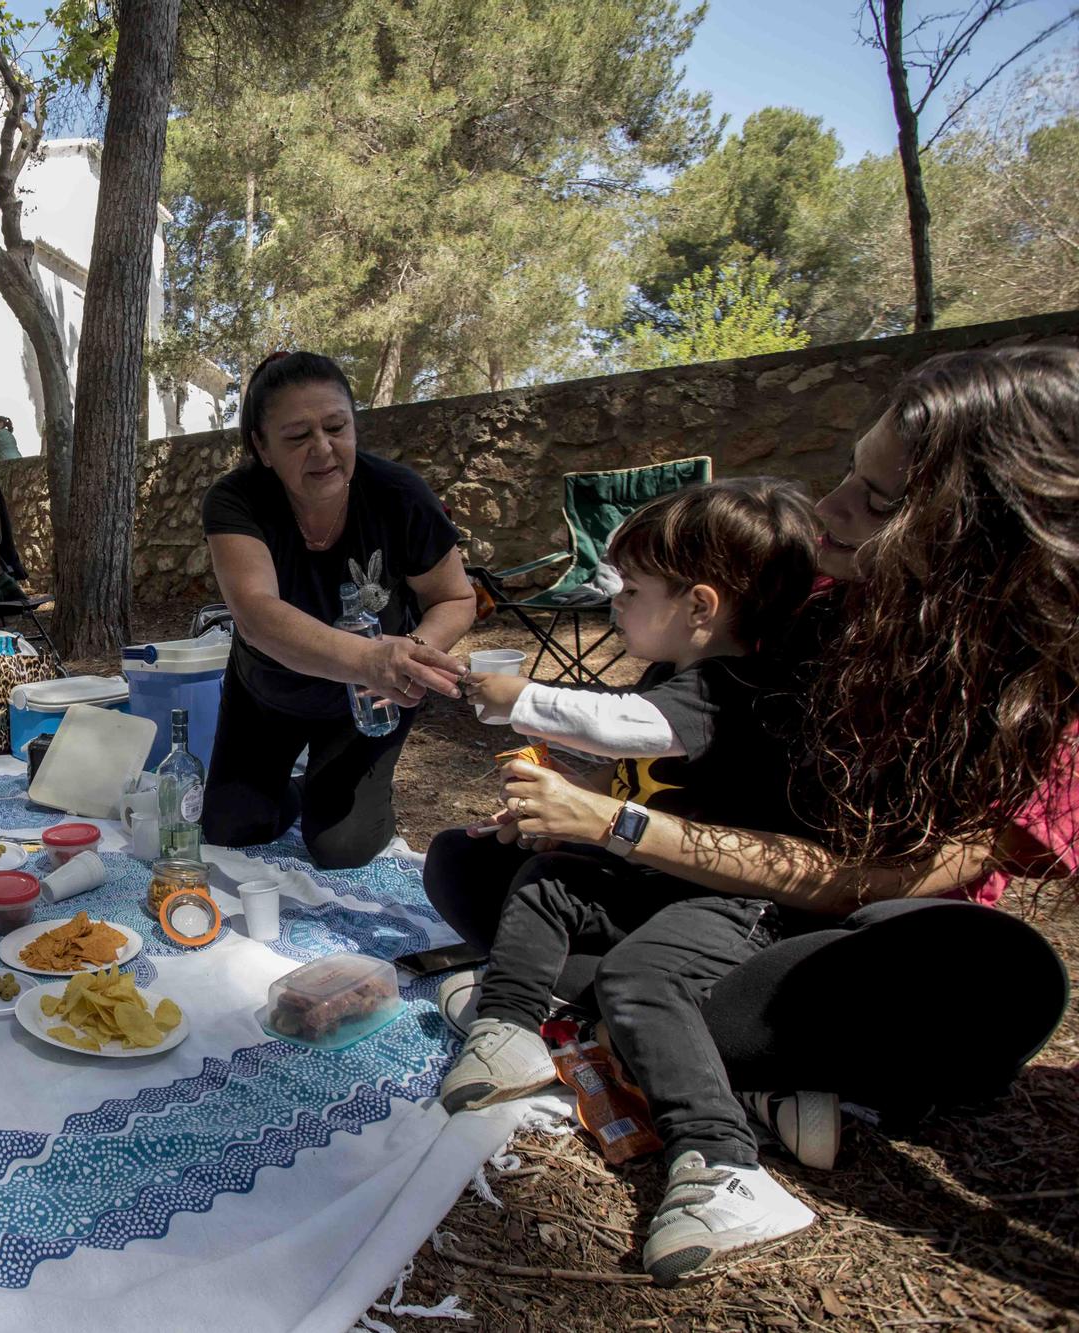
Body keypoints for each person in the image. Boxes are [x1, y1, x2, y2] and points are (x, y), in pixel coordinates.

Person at [425, 345, 1075, 1277]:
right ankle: (670, 1043)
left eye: (881, 499)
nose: (833, 510)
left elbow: (862, 884)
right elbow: (679, 749)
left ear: (991, 540)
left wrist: (616, 828)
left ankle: (606, 1019)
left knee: (989, 969)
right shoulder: (808, 597)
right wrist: (592, 820)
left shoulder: (1048, 699)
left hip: (828, 937)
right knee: (471, 865)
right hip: (697, 908)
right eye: (849, 473)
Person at [435, 478, 824, 1279]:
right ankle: (509, 1028)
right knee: (546, 878)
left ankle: (726, 1161)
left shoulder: (727, 686)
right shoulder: (674, 676)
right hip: (653, 877)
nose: (614, 601)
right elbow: (635, 768)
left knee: (641, 979)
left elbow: (622, 729)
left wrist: (522, 700)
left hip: (729, 900)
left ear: (701, 605)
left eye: (633, 589)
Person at [199, 350, 476, 868]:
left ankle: (336, 793)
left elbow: (455, 599)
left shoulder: (399, 495)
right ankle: (300, 788)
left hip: (369, 702)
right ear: (261, 446)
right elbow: (257, 616)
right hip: (269, 691)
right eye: (298, 437)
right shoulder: (235, 501)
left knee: (341, 846)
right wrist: (370, 658)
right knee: (232, 828)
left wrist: (412, 653)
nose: (323, 449)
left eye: (336, 427)